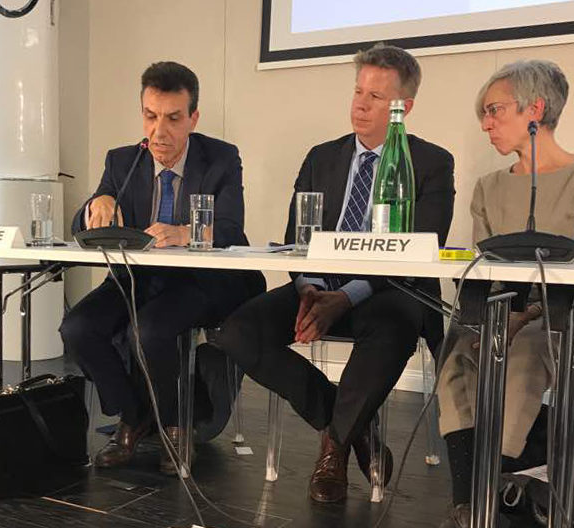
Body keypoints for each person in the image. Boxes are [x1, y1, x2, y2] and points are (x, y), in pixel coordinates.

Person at [218, 43, 455, 503]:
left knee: (393, 327)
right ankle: (350, 426)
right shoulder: (321, 157)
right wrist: (309, 291)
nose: (360, 105)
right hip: (318, 283)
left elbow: (425, 247)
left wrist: (348, 296)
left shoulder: (431, 162)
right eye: (357, 92)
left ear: (404, 107)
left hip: (388, 289)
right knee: (237, 333)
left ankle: (334, 449)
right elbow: (294, 239)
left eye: (375, 97)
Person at [60, 61, 265, 475]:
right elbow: (85, 222)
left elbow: (230, 228)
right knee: (77, 328)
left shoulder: (220, 158)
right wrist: (95, 205)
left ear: (193, 118)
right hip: (137, 279)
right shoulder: (123, 160)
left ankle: (175, 427)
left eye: (172, 118)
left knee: (149, 330)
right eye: (150, 116)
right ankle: (135, 416)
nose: (159, 131)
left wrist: (186, 232)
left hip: (198, 282)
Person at [437, 59, 574, 528]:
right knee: (457, 351)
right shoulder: (489, 187)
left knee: (528, 351)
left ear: (535, 110)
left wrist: (525, 314)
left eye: (494, 110)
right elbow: (484, 269)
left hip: (558, 319)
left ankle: (492, 485)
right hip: (498, 312)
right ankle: (472, 500)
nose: (485, 123)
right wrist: (496, 317)